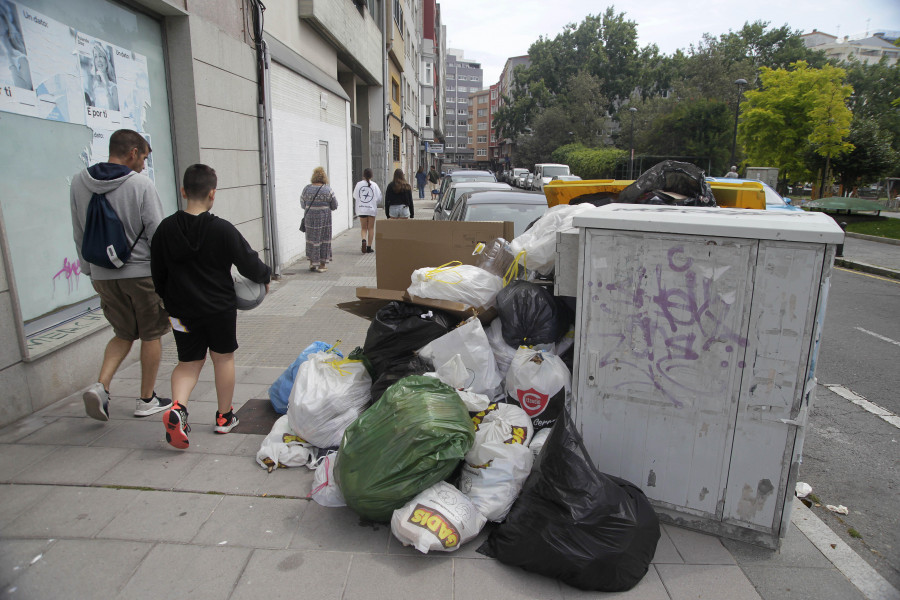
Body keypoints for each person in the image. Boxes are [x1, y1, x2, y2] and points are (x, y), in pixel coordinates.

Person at [150, 164, 271, 449]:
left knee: (187, 362)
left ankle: (178, 409)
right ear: (212, 194)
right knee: (223, 358)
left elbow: (157, 273)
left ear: (183, 191)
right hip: (219, 310)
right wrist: (264, 279)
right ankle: (224, 417)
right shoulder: (222, 229)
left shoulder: (164, 230)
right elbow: (249, 262)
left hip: (180, 314)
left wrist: (167, 302)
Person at [70, 129, 172, 422]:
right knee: (151, 333)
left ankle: (101, 386)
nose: (143, 165)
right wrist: (165, 275)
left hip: (102, 274)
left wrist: (90, 270)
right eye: (143, 158)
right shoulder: (141, 185)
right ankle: (146, 399)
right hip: (140, 273)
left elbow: (79, 230)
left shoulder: (79, 182)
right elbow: (156, 234)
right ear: (132, 152)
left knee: (123, 332)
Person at [301, 166, 338, 272]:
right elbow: (334, 205)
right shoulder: (327, 189)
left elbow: (302, 203)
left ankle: (312, 263)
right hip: (324, 219)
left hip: (310, 219)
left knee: (311, 240)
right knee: (324, 240)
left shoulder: (307, 188)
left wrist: (311, 208)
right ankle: (322, 265)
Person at [353, 167, 381, 254]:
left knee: (364, 228)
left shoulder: (358, 184)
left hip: (362, 209)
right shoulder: (374, 185)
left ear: (363, 175)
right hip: (371, 210)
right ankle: (369, 247)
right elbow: (379, 198)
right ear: (371, 175)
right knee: (371, 228)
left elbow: (354, 195)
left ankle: (363, 240)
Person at [87, 42, 119, 110]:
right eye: (95, 56)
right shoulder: (94, 86)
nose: (98, 60)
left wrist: (106, 89)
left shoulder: (114, 87)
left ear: (106, 61)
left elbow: (114, 112)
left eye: (100, 56)